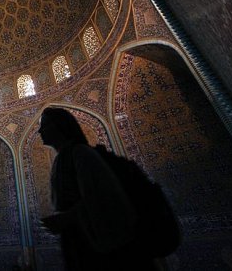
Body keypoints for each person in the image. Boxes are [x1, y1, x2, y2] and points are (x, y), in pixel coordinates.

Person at [38, 107, 158, 271]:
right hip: (82, 246)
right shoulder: (62, 159)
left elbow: (105, 197)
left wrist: (67, 218)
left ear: (60, 126)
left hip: (109, 252)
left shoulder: (81, 153)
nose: (39, 131)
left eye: (45, 125)